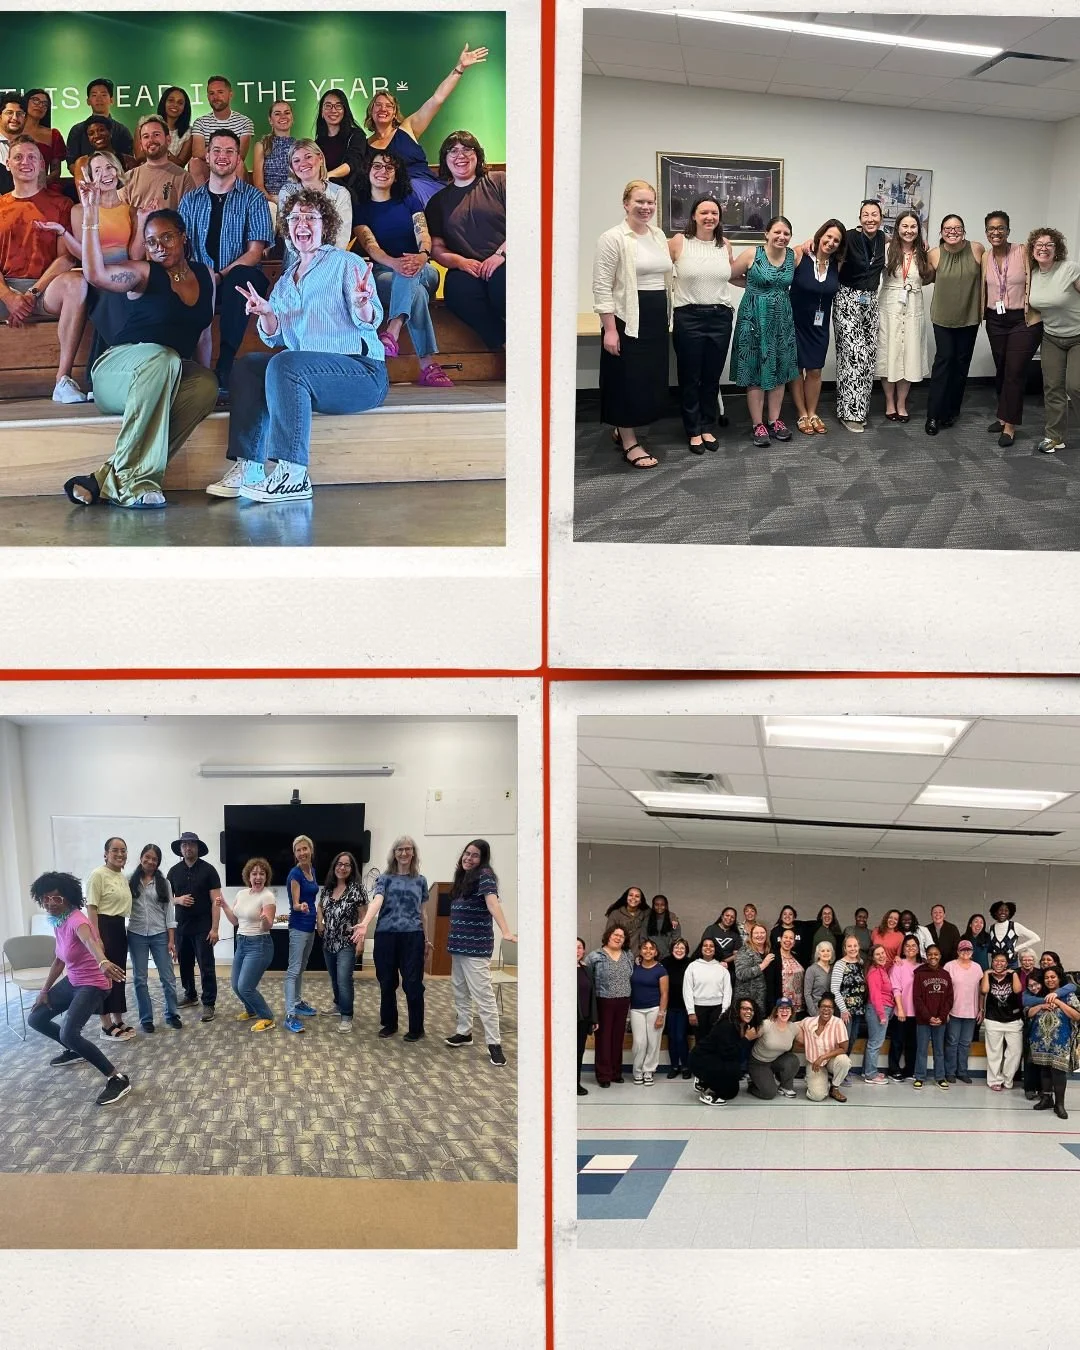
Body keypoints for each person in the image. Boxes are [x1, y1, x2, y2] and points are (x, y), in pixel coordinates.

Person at [206, 189, 386, 503]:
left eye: (311, 217)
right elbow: (274, 336)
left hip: (361, 373)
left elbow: (370, 320)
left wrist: (361, 304)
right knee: (249, 365)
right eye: (295, 218)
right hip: (312, 376)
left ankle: (292, 473)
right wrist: (267, 314)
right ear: (287, 227)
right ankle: (249, 467)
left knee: (286, 364)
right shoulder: (286, 281)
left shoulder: (347, 263)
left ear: (325, 225)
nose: (302, 223)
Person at [59, 195, 217, 510]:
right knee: (163, 357)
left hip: (163, 376)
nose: (158, 246)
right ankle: (137, 484)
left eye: (167, 237)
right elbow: (97, 275)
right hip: (117, 373)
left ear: (183, 237)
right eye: (151, 242)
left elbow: (203, 335)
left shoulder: (206, 276)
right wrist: (90, 218)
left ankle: (107, 478)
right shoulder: (144, 273)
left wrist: (205, 372)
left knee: (205, 386)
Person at [177, 126, 274, 396]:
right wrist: (203, 276)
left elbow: (255, 251)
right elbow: (182, 250)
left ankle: (226, 365)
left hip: (241, 277)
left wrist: (219, 275)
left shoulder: (253, 198)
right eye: (217, 150)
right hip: (199, 276)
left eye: (230, 151)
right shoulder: (189, 201)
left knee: (239, 279)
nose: (223, 156)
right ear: (206, 156)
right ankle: (183, 369)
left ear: (238, 159)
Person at [27, 871, 131, 1106]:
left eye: (56, 898)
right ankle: (75, 1050)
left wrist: (103, 961)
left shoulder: (76, 920)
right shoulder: (58, 920)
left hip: (93, 983)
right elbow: (59, 959)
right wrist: (44, 991)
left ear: (68, 898)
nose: (50, 904)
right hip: (72, 981)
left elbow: (89, 941)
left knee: (69, 1033)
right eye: (46, 899)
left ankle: (118, 1078)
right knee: (36, 1018)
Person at [352, 148, 452, 386]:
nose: (383, 171)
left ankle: (393, 330)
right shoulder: (361, 207)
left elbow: (423, 232)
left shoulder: (408, 199)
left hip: (423, 270)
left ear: (397, 174)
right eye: (377, 166)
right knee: (414, 291)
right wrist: (395, 263)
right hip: (384, 272)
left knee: (417, 274)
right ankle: (427, 365)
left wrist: (423, 255)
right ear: (368, 171)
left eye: (389, 167)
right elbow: (371, 246)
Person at [0, 137, 88, 403]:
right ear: (7, 164)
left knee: (77, 283)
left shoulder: (60, 204)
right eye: (18, 157)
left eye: (32, 157)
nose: (25, 162)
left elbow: (66, 259)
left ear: (42, 165)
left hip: (45, 287)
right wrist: (9, 297)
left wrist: (31, 295)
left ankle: (63, 379)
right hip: (4, 288)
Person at [591, 178, 670, 470]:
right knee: (626, 380)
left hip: (654, 318)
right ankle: (629, 442)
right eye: (639, 201)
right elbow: (601, 287)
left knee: (646, 379)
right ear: (626, 204)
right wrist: (610, 329)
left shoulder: (658, 235)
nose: (646, 207)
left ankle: (622, 429)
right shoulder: (612, 238)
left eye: (650, 202)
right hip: (626, 319)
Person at [365, 44, 490, 205]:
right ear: (371, 111)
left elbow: (437, 99)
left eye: (389, 106)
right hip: (392, 199)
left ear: (395, 112)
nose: (383, 109)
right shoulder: (365, 144)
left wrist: (459, 68)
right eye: (378, 105)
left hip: (426, 192)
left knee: (413, 187)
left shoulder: (408, 128)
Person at [668, 194, 739, 452]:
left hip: (720, 317)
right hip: (689, 317)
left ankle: (707, 426)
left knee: (711, 377)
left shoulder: (725, 245)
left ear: (719, 217)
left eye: (714, 213)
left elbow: (730, 276)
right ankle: (693, 429)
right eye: (704, 212)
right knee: (690, 377)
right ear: (694, 216)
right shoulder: (678, 242)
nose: (710, 217)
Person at [427, 131, 506, 352]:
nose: (460, 155)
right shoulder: (438, 202)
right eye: (453, 151)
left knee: (502, 287)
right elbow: (437, 249)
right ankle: (504, 343)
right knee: (457, 291)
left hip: (505, 260)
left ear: (478, 155)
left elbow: (526, 224)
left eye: (467, 149)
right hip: (466, 267)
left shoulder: (499, 181)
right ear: (445, 159)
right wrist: (461, 262)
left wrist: (500, 256)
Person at [352, 835, 432, 1042]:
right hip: (386, 936)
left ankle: (417, 1027)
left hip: (412, 936)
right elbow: (377, 901)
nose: (404, 853)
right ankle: (389, 1023)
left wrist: (426, 939)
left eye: (408, 849)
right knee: (387, 982)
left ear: (413, 853)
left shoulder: (420, 881)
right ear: (394, 853)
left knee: (413, 983)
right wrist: (365, 922)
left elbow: (423, 913)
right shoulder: (384, 879)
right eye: (399, 849)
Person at [729, 214, 800, 446]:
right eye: (777, 232)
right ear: (766, 234)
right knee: (756, 370)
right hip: (754, 318)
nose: (782, 237)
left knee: (779, 368)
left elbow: (812, 246)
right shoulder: (752, 254)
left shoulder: (793, 256)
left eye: (786, 233)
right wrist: (751, 286)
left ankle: (775, 420)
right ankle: (757, 424)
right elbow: (729, 275)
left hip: (782, 319)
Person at [444, 839, 515, 1066]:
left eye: (474, 855)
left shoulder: (484, 875)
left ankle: (494, 1044)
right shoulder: (462, 878)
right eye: (466, 853)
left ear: (482, 859)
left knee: (484, 997)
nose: (468, 858)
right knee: (460, 992)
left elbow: (493, 904)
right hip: (458, 946)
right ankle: (464, 1032)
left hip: (476, 948)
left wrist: (506, 930)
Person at [982, 211, 1041, 448]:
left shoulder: (1024, 251)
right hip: (995, 319)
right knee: (1002, 368)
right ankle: (1002, 415)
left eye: (1001, 228)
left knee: (1015, 371)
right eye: (991, 229)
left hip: (1023, 320)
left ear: (1008, 230)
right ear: (986, 232)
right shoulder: (984, 256)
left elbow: (1048, 262)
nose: (996, 232)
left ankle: (1010, 426)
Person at [925, 214, 984, 435]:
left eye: (957, 227)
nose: (953, 231)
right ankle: (933, 415)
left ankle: (951, 411)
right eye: (948, 228)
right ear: (941, 232)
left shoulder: (977, 249)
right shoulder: (934, 253)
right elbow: (924, 278)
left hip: (969, 318)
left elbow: (993, 272)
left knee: (961, 366)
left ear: (964, 231)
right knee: (944, 362)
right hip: (943, 318)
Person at [1024, 225, 1080, 454]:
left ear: (1057, 248)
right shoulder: (1033, 274)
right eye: (1039, 245)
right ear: (1033, 249)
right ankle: (1055, 436)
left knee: (1075, 386)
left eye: (1049, 244)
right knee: (1053, 388)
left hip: (1078, 336)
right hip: (1052, 338)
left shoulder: (1069, 269)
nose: (1043, 249)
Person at [834, 199, 886, 432]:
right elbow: (824, 243)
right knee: (854, 354)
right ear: (859, 219)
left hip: (871, 301)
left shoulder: (884, 239)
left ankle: (859, 409)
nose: (870, 219)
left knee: (868, 357)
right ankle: (848, 412)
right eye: (865, 215)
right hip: (847, 298)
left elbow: (904, 244)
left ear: (881, 218)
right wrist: (806, 243)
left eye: (874, 214)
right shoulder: (849, 237)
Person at [789, 217, 844, 434]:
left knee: (815, 370)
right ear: (820, 236)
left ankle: (813, 412)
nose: (831, 242)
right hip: (795, 322)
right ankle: (801, 414)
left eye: (836, 240)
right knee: (796, 369)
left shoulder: (838, 264)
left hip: (819, 326)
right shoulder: (800, 255)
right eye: (828, 237)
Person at [876, 209, 931, 422]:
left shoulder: (924, 252)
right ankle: (889, 402)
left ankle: (901, 403)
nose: (909, 231)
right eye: (905, 226)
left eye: (913, 226)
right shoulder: (887, 249)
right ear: (897, 228)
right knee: (889, 354)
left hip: (914, 306)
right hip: (889, 306)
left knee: (910, 355)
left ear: (919, 229)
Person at [166, 830, 223, 1022]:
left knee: (206, 966)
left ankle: (209, 1003)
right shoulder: (173, 872)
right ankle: (190, 995)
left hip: (203, 927)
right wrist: (178, 900)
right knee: (185, 965)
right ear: (180, 849)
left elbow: (217, 901)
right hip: (181, 927)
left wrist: (215, 928)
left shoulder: (209, 870)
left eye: (191, 844)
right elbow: (166, 900)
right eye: (184, 845)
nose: (188, 847)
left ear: (197, 847)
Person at [217, 856, 277, 1031]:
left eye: (262, 874)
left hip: (259, 944)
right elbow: (235, 921)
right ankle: (251, 1010)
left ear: (266, 877)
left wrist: (264, 920)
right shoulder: (241, 894)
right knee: (236, 985)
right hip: (241, 942)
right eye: (254, 874)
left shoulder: (268, 896)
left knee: (245, 987)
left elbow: (269, 925)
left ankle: (267, 1017)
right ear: (248, 876)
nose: (258, 877)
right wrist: (224, 905)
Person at [126, 844, 181, 1033]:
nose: (150, 861)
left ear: (158, 862)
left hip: (160, 935)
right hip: (136, 934)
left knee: (168, 978)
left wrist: (171, 940)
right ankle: (146, 1019)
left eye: (154, 859)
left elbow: (169, 914)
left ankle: (172, 1014)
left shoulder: (164, 883)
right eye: (147, 857)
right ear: (141, 858)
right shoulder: (128, 881)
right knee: (140, 979)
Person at [86, 837, 135, 1041]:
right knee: (104, 977)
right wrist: (96, 938)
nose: (120, 854)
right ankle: (105, 1025)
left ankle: (118, 1018)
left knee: (118, 975)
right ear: (105, 853)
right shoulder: (98, 875)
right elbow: (91, 907)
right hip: (103, 927)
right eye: (115, 850)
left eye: (123, 850)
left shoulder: (121, 876)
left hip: (118, 927)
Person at [316, 850, 367, 1032]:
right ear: (334, 867)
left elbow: (363, 916)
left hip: (348, 942)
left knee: (344, 978)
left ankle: (347, 1015)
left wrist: (361, 941)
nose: (342, 867)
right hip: (328, 941)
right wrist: (319, 922)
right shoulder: (328, 888)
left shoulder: (357, 889)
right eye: (339, 864)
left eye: (346, 864)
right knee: (334, 978)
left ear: (352, 868)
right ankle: (338, 1005)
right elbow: (320, 906)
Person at [277, 140, 353, 257]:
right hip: (297, 258)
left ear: (320, 158)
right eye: (296, 160)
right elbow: (288, 234)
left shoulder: (340, 193)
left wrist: (325, 260)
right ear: (292, 167)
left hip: (331, 258)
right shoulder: (287, 192)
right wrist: (306, 259)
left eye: (308, 157)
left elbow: (341, 238)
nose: (303, 163)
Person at [1026, 965, 1080, 1120]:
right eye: (1047, 978)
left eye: (1053, 977)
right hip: (1040, 1039)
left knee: (1058, 1071)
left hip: (1060, 1039)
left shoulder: (1068, 995)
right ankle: (1047, 1099)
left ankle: (1060, 1104)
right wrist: (1042, 1005)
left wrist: (1058, 1002)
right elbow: (1029, 1013)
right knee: (1044, 1069)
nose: (1050, 980)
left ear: (1058, 978)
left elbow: (1077, 1016)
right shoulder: (1039, 994)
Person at [583, 922, 634, 1088]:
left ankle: (616, 1072)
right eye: (615, 935)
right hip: (603, 1001)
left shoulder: (628, 955)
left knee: (617, 1038)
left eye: (621, 936)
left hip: (623, 1000)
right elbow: (587, 980)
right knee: (604, 1039)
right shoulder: (595, 956)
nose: (618, 938)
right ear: (608, 936)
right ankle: (603, 1075)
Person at [691, 998, 761, 1105]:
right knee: (728, 1083)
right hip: (701, 1060)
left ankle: (706, 1081)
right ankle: (707, 1089)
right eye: (744, 1009)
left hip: (718, 1058)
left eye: (751, 1010)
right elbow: (728, 1053)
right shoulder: (727, 1025)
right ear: (737, 1010)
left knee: (732, 1092)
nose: (748, 1012)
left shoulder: (745, 1025)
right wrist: (746, 1038)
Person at [283, 835, 319, 1034]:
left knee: (302, 967)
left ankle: (297, 1002)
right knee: (293, 970)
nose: (302, 853)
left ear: (311, 850)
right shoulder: (294, 874)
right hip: (298, 926)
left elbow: (313, 896)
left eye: (305, 849)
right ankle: (289, 1015)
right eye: (298, 850)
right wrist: (300, 906)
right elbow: (295, 903)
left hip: (310, 925)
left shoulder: (312, 870)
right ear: (294, 853)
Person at [122, 115, 196, 212]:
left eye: (156, 134)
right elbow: (120, 215)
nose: (151, 140)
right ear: (141, 145)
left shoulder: (184, 178)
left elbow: (190, 217)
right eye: (146, 136)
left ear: (168, 140)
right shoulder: (129, 177)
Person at [190, 76, 254, 178]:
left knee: (239, 163)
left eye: (220, 92)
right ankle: (202, 195)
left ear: (230, 94)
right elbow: (197, 153)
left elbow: (239, 154)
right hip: (209, 169)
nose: (215, 97)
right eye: (212, 93)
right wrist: (226, 149)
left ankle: (236, 194)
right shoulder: (200, 122)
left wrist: (214, 150)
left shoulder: (245, 122)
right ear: (207, 97)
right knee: (195, 163)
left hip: (232, 166)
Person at [65, 79, 135, 168]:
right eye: (94, 95)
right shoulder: (77, 130)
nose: (99, 99)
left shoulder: (122, 130)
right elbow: (71, 163)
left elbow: (129, 161)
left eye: (103, 94)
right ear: (88, 101)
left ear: (111, 100)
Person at [629, 937, 669, 1085]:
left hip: (654, 1009)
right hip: (636, 1010)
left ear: (656, 952)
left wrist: (661, 1014)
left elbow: (664, 993)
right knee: (639, 1042)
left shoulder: (660, 969)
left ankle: (648, 1071)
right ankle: (637, 1071)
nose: (648, 951)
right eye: (645, 948)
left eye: (651, 948)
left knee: (653, 1042)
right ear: (640, 951)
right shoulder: (634, 967)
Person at [912, 945, 953, 1090]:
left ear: (940, 956)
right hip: (924, 1020)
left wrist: (941, 1016)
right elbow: (917, 998)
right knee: (921, 1049)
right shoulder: (919, 974)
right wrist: (928, 1017)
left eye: (936, 954)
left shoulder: (945, 974)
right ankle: (920, 1077)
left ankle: (940, 1077)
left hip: (940, 1020)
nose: (933, 957)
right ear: (926, 956)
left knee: (939, 1050)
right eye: (930, 954)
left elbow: (949, 998)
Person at [981, 953, 1023, 1092]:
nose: (999, 963)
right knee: (994, 1052)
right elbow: (984, 990)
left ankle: (1007, 1079)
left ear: (1007, 963)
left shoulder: (1013, 975)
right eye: (996, 960)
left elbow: (1017, 990)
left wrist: (1014, 973)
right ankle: (994, 1080)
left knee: (1015, 1052)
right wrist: (987, 974)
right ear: (992, 962)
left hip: (1013, 1020)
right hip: (993, 1019)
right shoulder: (987, 975)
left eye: (1002, 961)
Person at [943, 940, 983, 1083]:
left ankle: (962, 1071)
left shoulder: (977, 968)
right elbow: (944, 990)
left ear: (972, 952)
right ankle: (950, 1072)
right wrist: (945, 1010)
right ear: (958, 951)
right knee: (952, 1042)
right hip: (954, 1010)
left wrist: (981, 1009)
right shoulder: (949, 966)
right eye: (963, 950)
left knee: (965, 1043)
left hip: (971, 1012)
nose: (966, 952)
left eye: (968, 950)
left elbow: (981, 991)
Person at [801, 992, 851, 1102]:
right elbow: (793, 1027)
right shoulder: (808, 1022)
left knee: (844, 1061)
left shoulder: (838, 1023)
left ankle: (835, 1087)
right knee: (817, 1096)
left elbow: (844, 1049)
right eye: (823, 1006)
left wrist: (823, 1057)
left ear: (833, 1010)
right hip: (814, 1063)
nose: (826, 1009)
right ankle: (813, 1080)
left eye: (829, 1007)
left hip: (830, 1060)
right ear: (819, 1008)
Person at [749, 997, 801, 1099]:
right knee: (769, 1094)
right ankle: (753, 1084)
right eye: (781, 1008)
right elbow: (747, 1037)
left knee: (793, 1060)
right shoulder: (766, 1024)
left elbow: (807, 1041)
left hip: (775, 1060)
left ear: (791, 1012)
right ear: (776, 1011)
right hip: (758, 1063)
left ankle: (785, 1086)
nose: (784, 1011)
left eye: (787, 1009)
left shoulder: (794, 1027)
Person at [830, 933, 869, 1070]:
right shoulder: (840, 964)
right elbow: (834, 989)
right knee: (843, 1041)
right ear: (845, 948)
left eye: (855, 946)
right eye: (849, 946)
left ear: (859, 947)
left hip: (858, 1010)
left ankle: (844, 1068)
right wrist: (843, 1009)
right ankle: (837, 1069)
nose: (853, 949)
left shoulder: (861, 963)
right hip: (845, 1011)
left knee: (852, 1039)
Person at [683, 936, 732, 1041]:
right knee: (701, 1041)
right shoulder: (692, 966)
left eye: (711, 946)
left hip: (718, 1010)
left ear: (715, 949)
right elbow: (687, 990)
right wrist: (691, 1012)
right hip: (698, 1010)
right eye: (705, 945)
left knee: (716, 1041)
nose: (708, 948)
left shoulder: (722, 968)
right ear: (701, 948)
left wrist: (724, 1012)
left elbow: (728, 992)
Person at [314, 90, 366, 185]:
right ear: (321, 112)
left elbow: (352, 163)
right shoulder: (316, 144)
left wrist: (326, 177)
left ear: (344, 110)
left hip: (351, 192)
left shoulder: (356, 135)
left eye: (338, 106)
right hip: (324, 194)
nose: (333, 110)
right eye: (328, 106)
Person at [887, 934, 922, 1079]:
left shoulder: (922, 966)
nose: (911, 948)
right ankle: (893, 1069)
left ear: (919, 948)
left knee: (913, 1044)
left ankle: (909, 1070)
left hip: (917, 1013)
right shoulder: (898, 965)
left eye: (914, 945)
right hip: (901, 1011)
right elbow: (896, 988)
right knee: (897, 1042)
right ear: (903, 949)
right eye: (907, 946)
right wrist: (900, 1009)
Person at [70, 118, 136, 189]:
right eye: (91, 133)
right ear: (88, 138)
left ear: (110, 132)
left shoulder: (128, 161)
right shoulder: (82, 163)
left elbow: (134, 191)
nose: (97, 135)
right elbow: (83, 193)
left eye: (101, 130)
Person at [862, 943, 894, 1084]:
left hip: (883, 1008)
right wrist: (882, 1015)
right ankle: (870, 1074)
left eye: (883, 953)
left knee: (874, 1042)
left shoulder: (882, 969)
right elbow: (875, 995)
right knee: (875, 1043)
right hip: (877, 1010)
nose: (881, 956)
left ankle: (867, 1070)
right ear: (872, 958)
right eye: (877, 954)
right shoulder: (874, 972)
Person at [21, 89, 66, 187]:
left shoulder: (53, 134)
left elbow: (56, 171)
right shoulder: (13, 130)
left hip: (43, 187)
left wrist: (40, 183)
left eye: (45, 104)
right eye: (36, 100)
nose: (40, 105)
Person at [662, 936, 692, 1080]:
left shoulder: (691, 963)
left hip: (684, 1007)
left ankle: (686, 1066)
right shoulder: (665, 962)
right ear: (672, 949)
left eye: (682, 948)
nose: (679, 950)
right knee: (672, 1037)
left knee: (680, 1037)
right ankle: (674, 1066)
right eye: (676, 947)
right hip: (668, 1006)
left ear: (686, 950)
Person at [252, 101, 295, 201]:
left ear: (292, 118)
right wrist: (274, 201)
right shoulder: (262, 145)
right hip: (270, 200)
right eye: (277, 114)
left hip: (295, 201)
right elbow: (258, 185)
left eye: (287, 113)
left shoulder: (299, 146)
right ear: (270, 120)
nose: (283, 116)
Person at [733, 924, 774, 1014]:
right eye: (756, 933)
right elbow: (741, 974)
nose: (760, 935)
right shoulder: (744, 951)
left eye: (762, 932)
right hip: (748, 1001)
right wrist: (762, 965)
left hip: (765, 999)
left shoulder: (770, 950)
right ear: (751, 936)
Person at [987, 899, 1040, 967]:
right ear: (995, 912)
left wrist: (1016, 949)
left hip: (1011, 963)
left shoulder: (1015, 926)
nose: (1003, 912)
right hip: (996, 964)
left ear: (1010, 913)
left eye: (1006, 911)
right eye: (1000, 910)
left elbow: (1036, 938)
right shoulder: (991, 928)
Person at [577, 938, 598, 1095]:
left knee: (579, 1051)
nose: (576, 950)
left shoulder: (587, 970)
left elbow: (592, 996)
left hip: (583, 1019)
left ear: (584, 951)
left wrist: (594, 1018)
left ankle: (575, 1083)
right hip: (564, 1021)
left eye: (579, 947)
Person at [602, 886, 650, 956]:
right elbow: (608, 936)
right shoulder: (616, 914)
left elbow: (660, 912)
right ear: (626, 898)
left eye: (637, 896)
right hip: (619, 955)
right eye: (631, 895)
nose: (633, 898)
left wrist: (672, 918)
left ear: (640, 900)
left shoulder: (645, 913)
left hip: (638, 956)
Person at [157, 86, 194, 171]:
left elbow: (180, 164)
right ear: (164, 102)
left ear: (185, 107)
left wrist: (162, 151)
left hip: (174, 176)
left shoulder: (189, 133)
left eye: (180, 103)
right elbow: (141, 158)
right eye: (171, 100)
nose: (175, 105)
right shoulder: (148, 125)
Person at [771, 925, 805, 1016]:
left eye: (791, 938)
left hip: (799, 1007)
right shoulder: (773, 957)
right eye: (785, 937)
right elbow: (771, 984)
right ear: (780, 940)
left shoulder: (798, 956)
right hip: (782, 1007)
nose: (788, 940)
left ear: (794, 942)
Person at [697, 905, 742, 970]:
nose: (729, 918)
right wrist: (715, 963)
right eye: (727, 915)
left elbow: (737, 955)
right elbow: (704, 948)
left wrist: (724, 961)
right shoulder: (711, 929)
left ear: (734, 920)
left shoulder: (735, 935)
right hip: (709, 964)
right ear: (722, 916)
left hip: (727, 966)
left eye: (732, 917)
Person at [0, 93, 27, 194]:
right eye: (9, 113)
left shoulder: (31, 147)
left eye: (20, 114)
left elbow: (40, 183)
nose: (15, 118)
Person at [643, 893, 681, 959]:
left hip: (668, 956)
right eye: (656, 905)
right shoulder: (647, 919)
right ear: (653, 905)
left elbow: (676, 938)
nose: (659, 907)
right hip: (650, 955)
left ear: (666, 906)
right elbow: (643, 938)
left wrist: (668, 952)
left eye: (662, 905)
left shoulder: (673, 920)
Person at [804, 940, 834, 1017]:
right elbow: (807, 994)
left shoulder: (834, 969)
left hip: (831, 1012)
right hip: (817, 1011)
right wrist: (814, 1013)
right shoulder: (811, 970)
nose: (826, 953)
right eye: (823, 951)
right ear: (818, 954)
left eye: (828, 950)